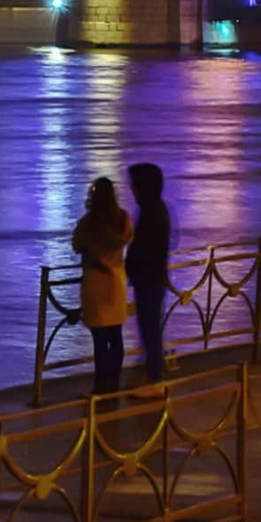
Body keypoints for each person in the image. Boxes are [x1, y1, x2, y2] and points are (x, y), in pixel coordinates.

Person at [73, 178, 133, 395]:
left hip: (95, 282)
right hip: (117, 281)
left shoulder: (89, 223)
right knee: (116, 336)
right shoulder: (123, 220)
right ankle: (114, 382)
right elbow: (127, 237)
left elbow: (76, 244)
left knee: (99, 339)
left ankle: (100, 385)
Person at [126, 163, 171, 396]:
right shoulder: (154, 209)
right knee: (150, 329)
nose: (131, 189)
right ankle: (152, 373)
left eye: (134, 184)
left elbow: (144, 248)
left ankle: (155, 379)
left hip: (149, 280)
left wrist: (132, 266)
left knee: (150, 329)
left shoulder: (152, 213)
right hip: (151, 278)